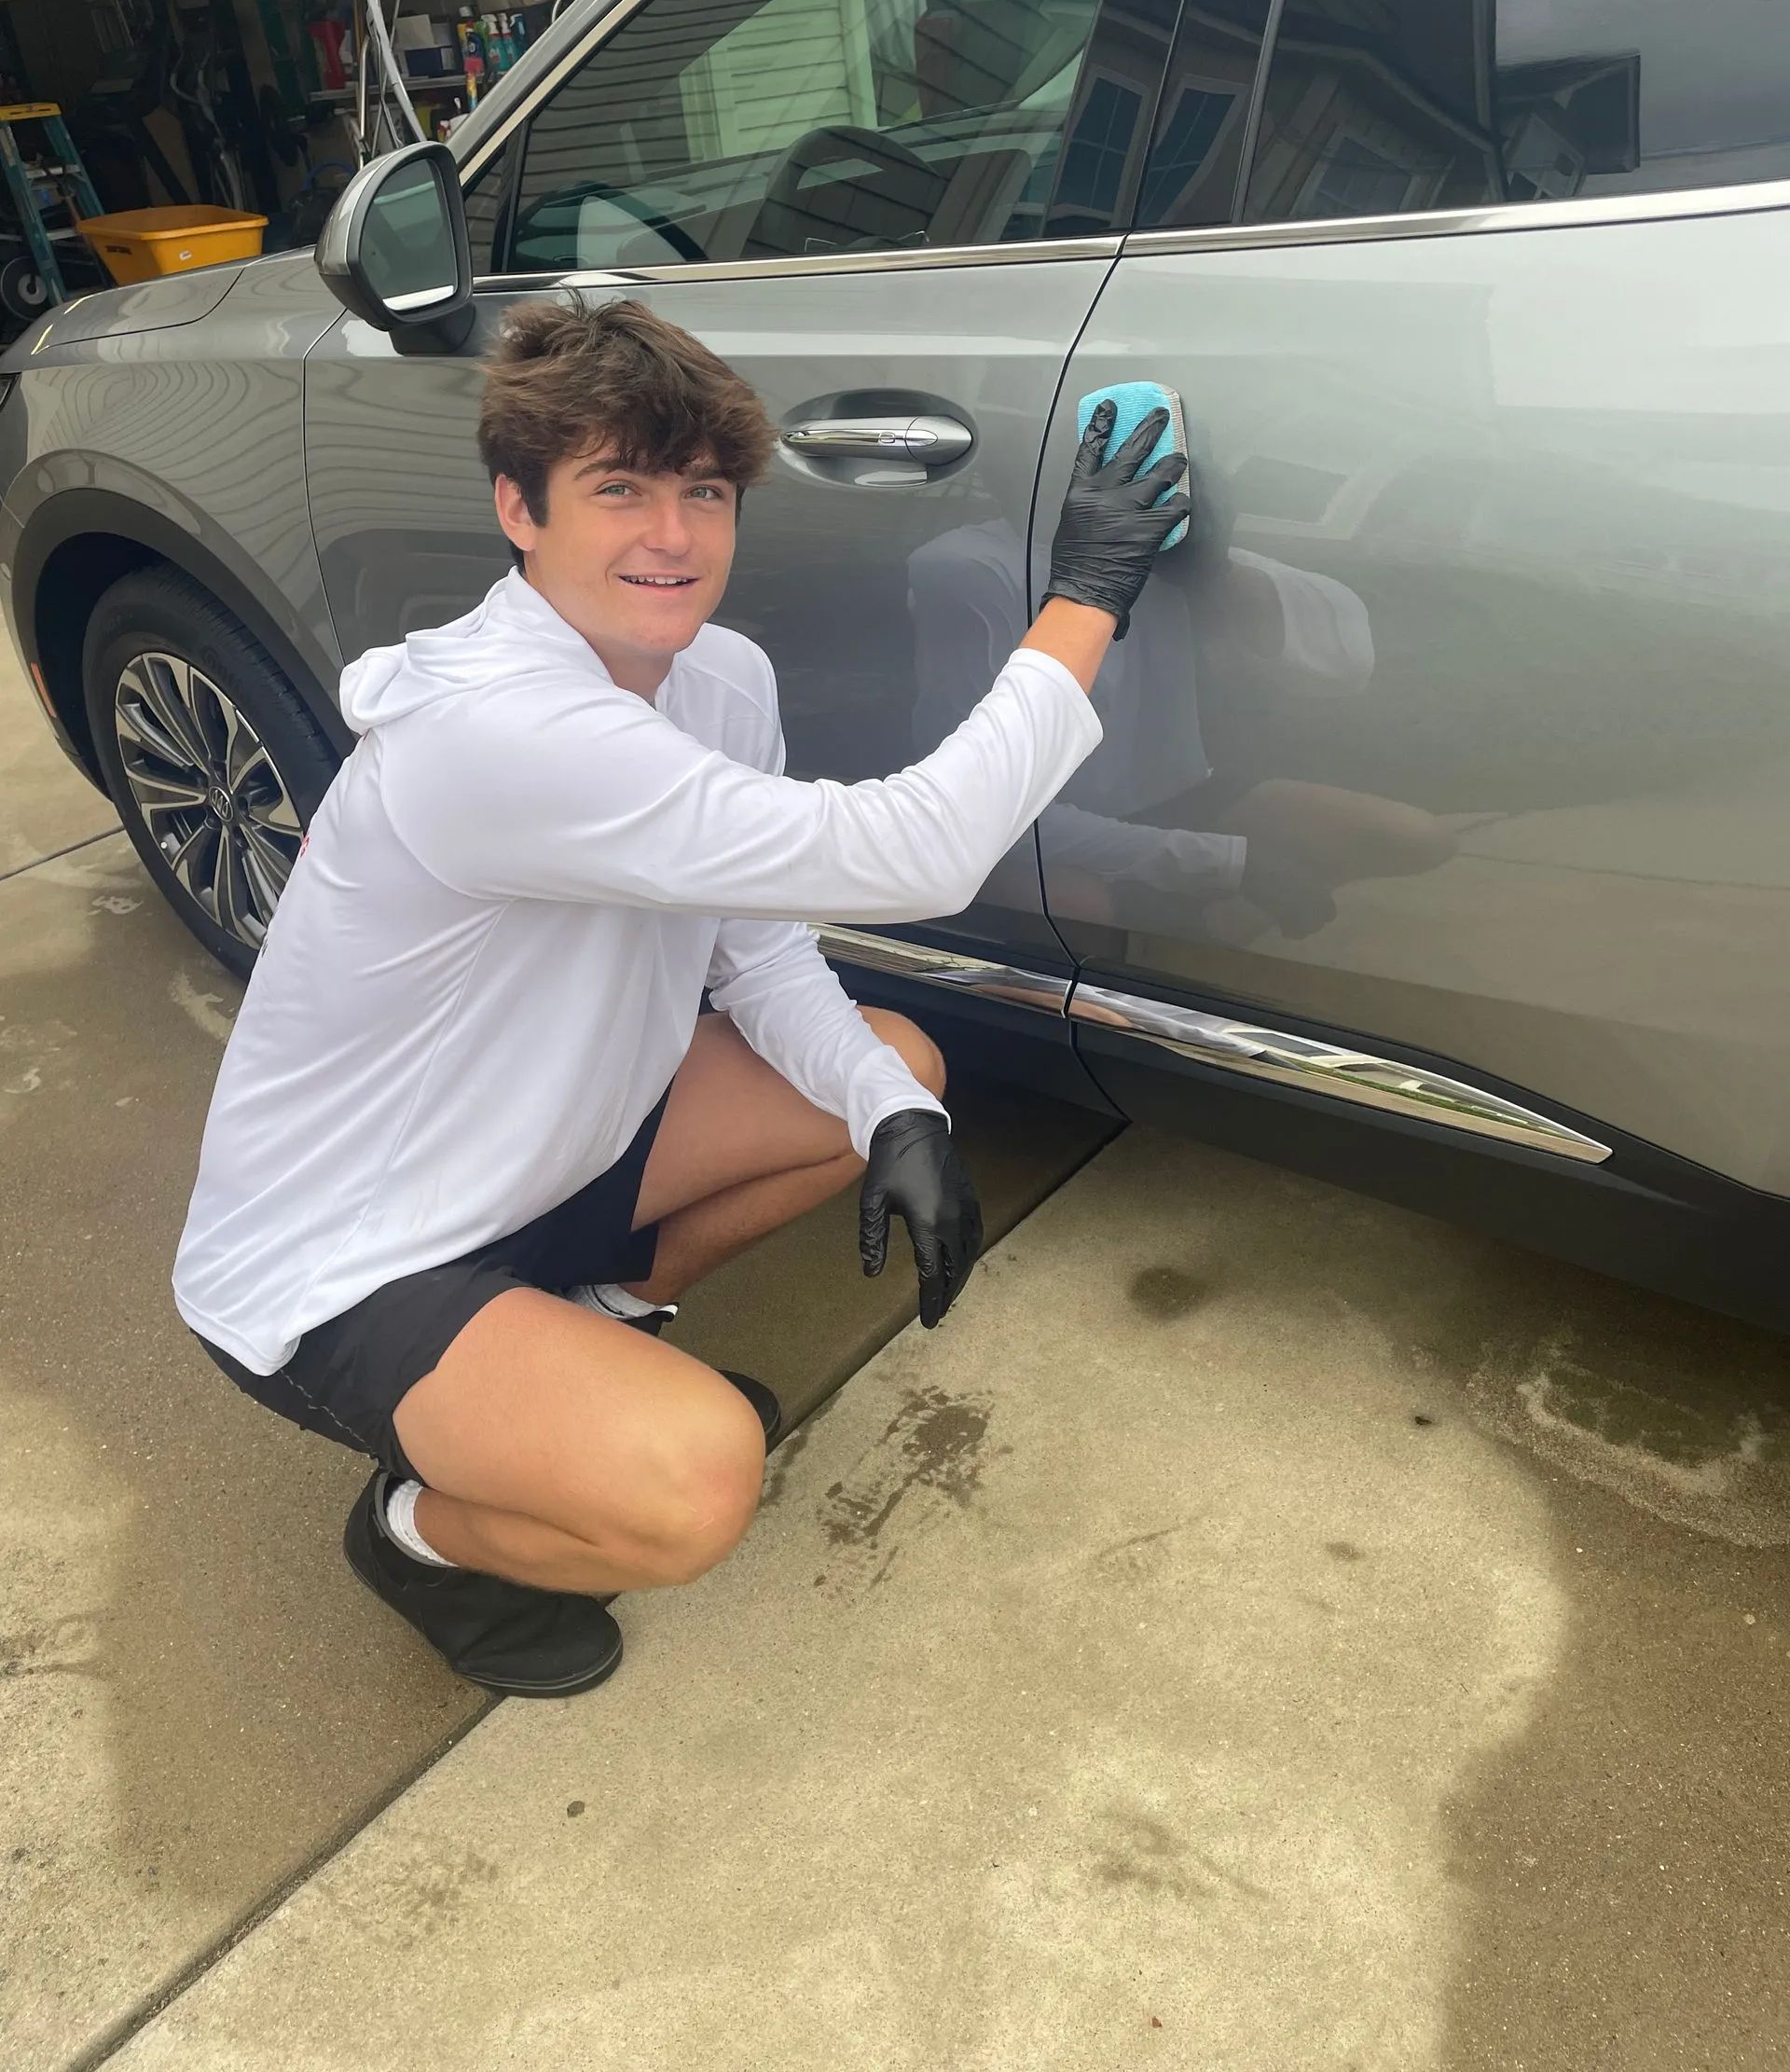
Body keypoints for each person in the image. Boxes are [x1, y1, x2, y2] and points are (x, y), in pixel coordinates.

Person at [171, 299, 1189, 1697]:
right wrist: (1092, 593)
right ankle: (414, 1533)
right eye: (619, 488)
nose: (672, 535)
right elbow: (916, 848)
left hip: (538, 1160)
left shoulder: (717, 677)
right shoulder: (502, 732)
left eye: (703, 492)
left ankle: (590, 1322)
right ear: (518, 508)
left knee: (889, 1062)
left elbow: (758, 951)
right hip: (349, 1255)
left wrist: (891, 1112)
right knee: (697, 1485)